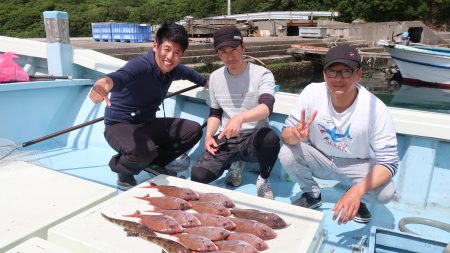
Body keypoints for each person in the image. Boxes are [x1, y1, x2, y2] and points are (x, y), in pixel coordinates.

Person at [278, 43, 399, 224]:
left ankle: (359, 201)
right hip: (322, 157)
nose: (338, 78)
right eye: (332, 72)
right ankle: (312, 194)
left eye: (346, 71)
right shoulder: (311, 92)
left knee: (386, 192)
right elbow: (286, 132)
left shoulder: (375, 109)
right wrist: (293, 135)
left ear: (358, 74)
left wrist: (356, 191)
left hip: (357, 165)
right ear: (325, 74)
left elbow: (389, 162)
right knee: (287, 151)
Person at [89, 22, 208, 191]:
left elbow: (191, 73)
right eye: (167, 49)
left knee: (193, 130)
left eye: (177, 53)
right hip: (119, 125)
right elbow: (120, 76)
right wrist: (102, 84)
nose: (170, 57)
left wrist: (207, 82)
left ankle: (155, 164)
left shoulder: (172, 69)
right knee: (143, 151)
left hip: (146, 124)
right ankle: (122, 169)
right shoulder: (140, 66)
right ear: (155, 46)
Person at [190, 25, 280, 199]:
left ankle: (263, 179)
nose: (229, 56)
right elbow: (215, 113)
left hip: (254, 137)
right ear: (218, 54)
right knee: (198, 176)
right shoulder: (215, 78)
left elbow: (267, 107)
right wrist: (209, 136)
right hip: (227, 136)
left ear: (243, 48)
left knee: (271, 139)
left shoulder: (262, 74)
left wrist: (240, 118)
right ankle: (235, 162)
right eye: (223, 51)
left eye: (234, 49)